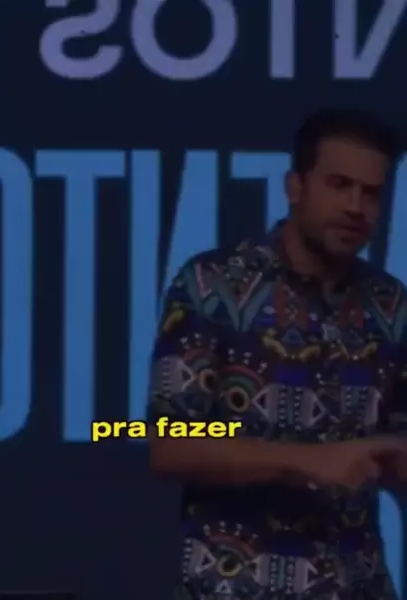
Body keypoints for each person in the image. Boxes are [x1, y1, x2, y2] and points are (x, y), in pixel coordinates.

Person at [147, 108, 407, 600]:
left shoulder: (391, 305)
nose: (356, 207)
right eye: (339, 184)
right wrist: (305, 461)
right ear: (295, 186)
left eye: (371, 193)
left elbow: (395, 447)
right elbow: (168, 443)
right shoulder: (213, 286)